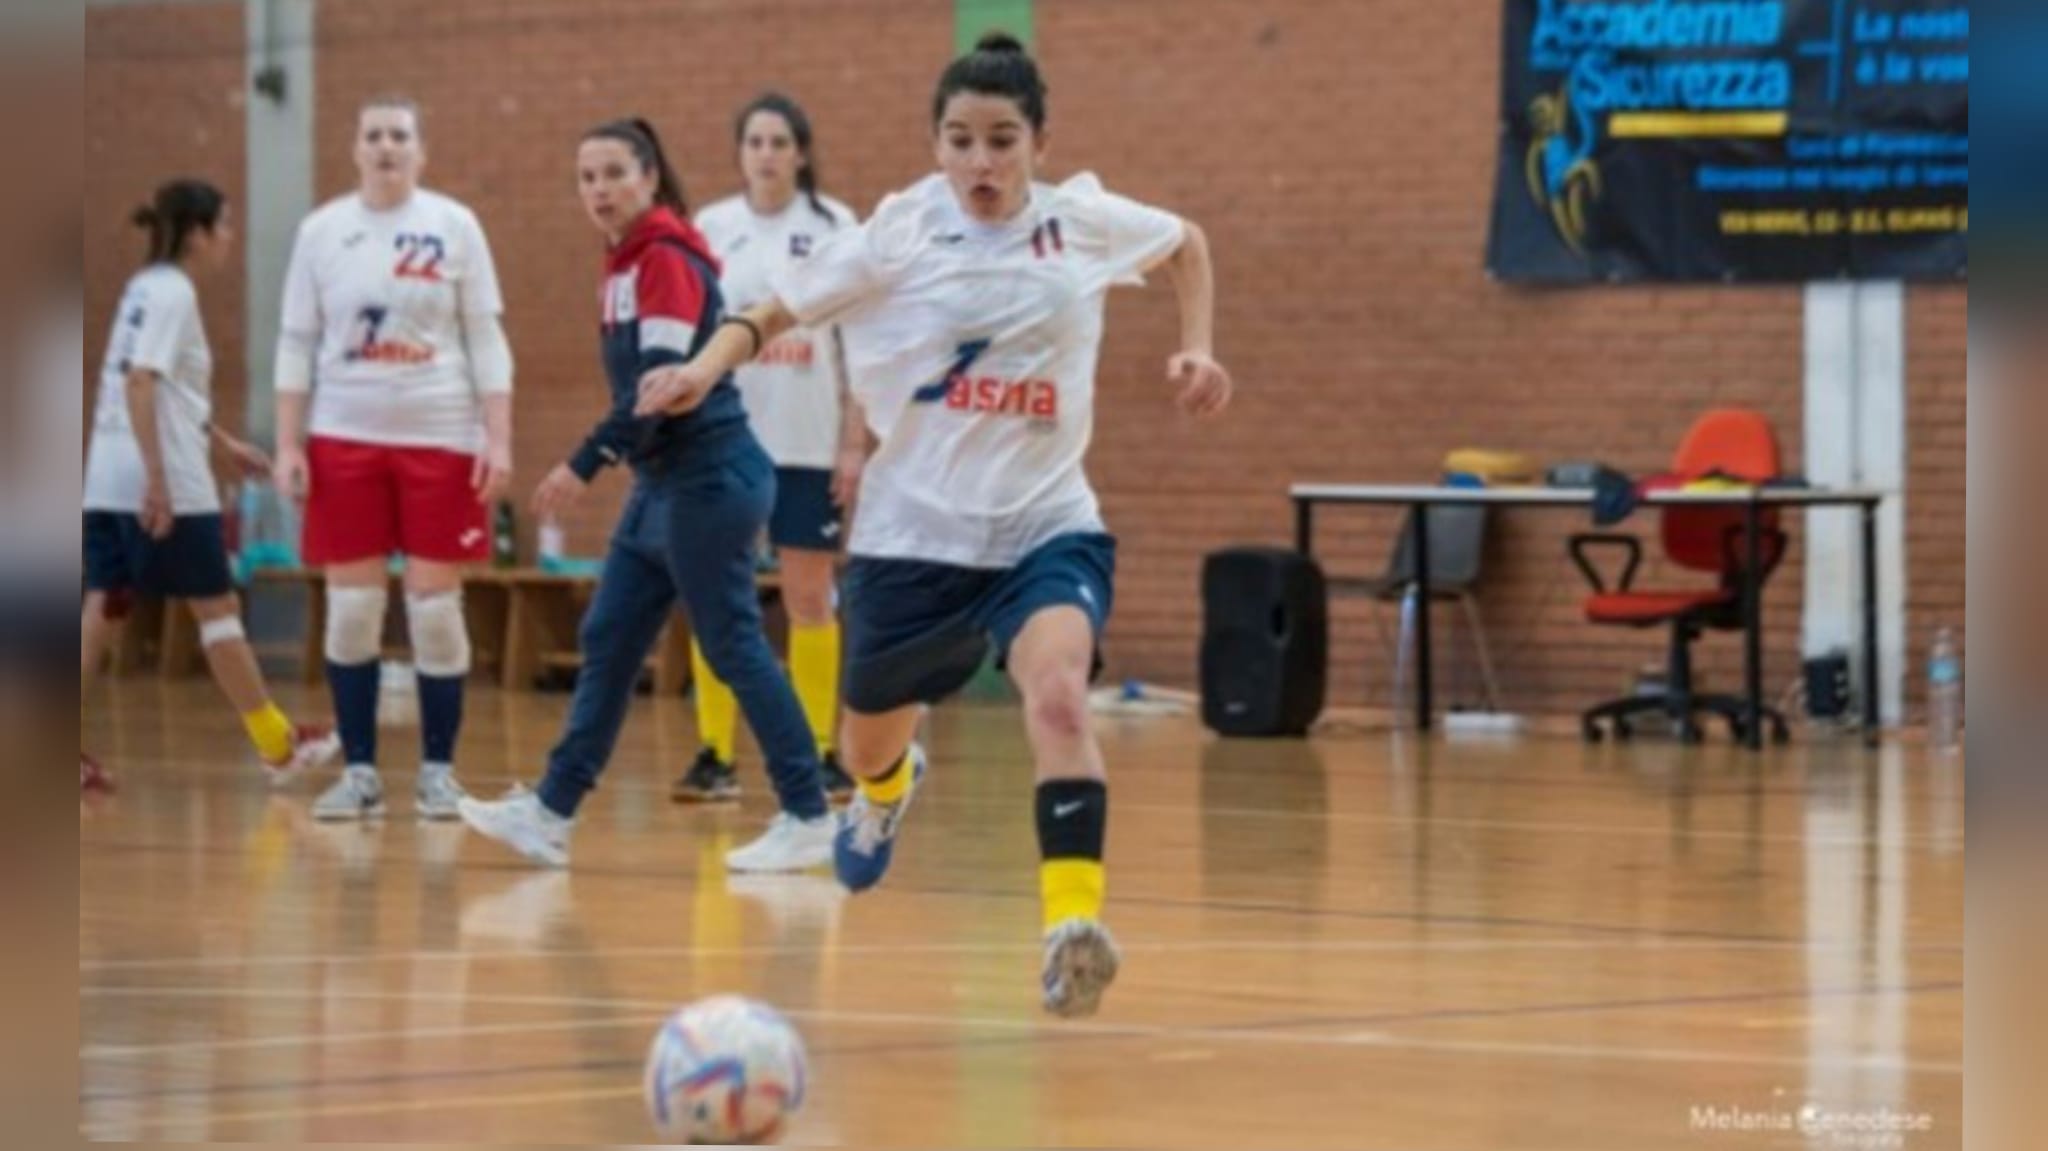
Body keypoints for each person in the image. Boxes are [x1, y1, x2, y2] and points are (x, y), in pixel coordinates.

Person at [637, 33, 1234, 1017]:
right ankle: (884, 788)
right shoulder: (896, 232)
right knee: (865, 741)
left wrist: (1197, 349)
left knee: (1055, 698)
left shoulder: (1078, 223)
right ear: (936, 145)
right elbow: (775, 310)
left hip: (1045, 527)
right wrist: (703, 369)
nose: (980, 162)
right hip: (913, 537)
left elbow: (1188, 245)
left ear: (1038, 141)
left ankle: (1068, 923)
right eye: (959, 140)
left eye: (1002, 140)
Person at [458, 117, 834, 874]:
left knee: (731, 644)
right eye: (586, 177)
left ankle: (809, 812)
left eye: (613, 173)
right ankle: (552, 813)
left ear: (650, 178)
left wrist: (581, 463)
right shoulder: (622, 260)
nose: (598, 189)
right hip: (663, 486)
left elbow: (656, 390)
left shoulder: (664, 258)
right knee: (609, 635)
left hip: (711, 480)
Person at [270, 97, 515, 821]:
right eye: (372, 134)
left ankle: (438, 771)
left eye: (399, 135)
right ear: (355, 149)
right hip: (343, 434)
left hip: (441, 434)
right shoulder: (321, 231)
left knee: (436, 610)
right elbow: (293, 342)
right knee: (351, 609)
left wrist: (496, 437)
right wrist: (288, 443)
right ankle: (362, 771)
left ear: (420, 151)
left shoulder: (454, 225)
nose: (385, 146)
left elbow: (486, 337)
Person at [81, 179, 341, 792]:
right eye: (224, 227)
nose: (229, 239)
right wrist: (159, 482)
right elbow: (141, 382)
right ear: (197, 233)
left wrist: (220, 441)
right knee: (217, 610)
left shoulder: (141, 288)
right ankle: (277, 744)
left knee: (104, 606)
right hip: (161, 479)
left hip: (104, 477)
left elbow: (165, 388)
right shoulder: (173, 293)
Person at [679, 93, 862, 806]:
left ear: (801, 151)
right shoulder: (712, 227)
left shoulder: (833, 225)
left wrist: (855, 439)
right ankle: (714, 751)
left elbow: (858, 342)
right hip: (726, 438)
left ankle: (820, 750)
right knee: (714, 597)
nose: (766, 153)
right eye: (754, 140)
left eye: (779, 141)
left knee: (809, 595)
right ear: (740, 151)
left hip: (809, 440)